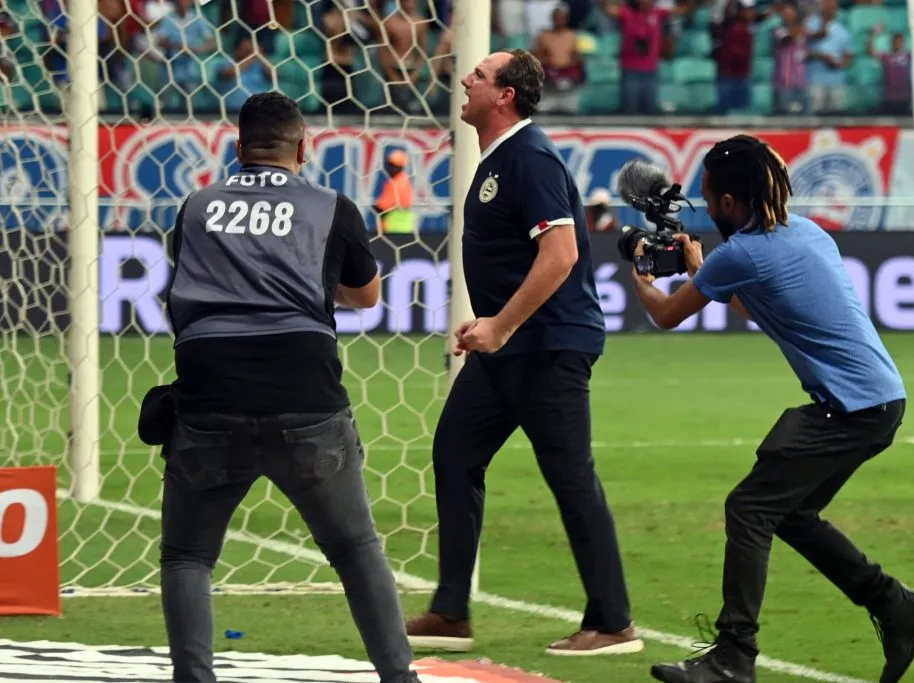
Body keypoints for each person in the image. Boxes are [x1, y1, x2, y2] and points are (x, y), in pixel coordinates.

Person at [632, 135, 914, 683]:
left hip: (850, 407)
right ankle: (896, 606)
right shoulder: (807, 231)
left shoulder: (740, 254)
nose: (707, 206)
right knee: (789, 514)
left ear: (730, 202)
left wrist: (642, 277)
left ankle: (734, 657)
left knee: (749, 508)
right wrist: (703, 269)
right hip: (879, 400)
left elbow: (666, 315)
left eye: (710, 198)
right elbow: (765, 303)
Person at [157, 92, 419, 683]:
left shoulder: (196, 206)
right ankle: (400, 679)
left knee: (188, 555)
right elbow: (365, 295)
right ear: (304, 148)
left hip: (210, 392)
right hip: (305, 390)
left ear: (238, 146)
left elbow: (185, 281)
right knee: (355, 548)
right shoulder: (330, 206)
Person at [403, 49, 643, 657]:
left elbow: (560, 255)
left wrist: (502, 326)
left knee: (569, 475)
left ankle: (613, 622)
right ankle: (450, 612)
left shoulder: (529, 157)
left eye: (479, 76)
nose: (466, 79)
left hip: (547, 345)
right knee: (455, 454)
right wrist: (490, 326)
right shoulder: (500, 158)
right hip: (510, 347)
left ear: (505, 95)